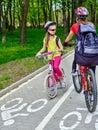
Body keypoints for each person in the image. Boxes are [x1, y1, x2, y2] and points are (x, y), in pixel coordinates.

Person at [63, 7, 98, 75]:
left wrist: (65, 42)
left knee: (76, 55)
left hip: (82, 50)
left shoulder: (75, 26)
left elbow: (69, 37)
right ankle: (92, 80)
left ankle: (74, 70)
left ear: (77, 17)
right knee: (92, 63)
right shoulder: (91, 25)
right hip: (93, 50)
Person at [36, 21, 66, 87]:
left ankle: (62, 79)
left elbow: (61, 47)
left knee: (56, 67)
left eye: (55, 30)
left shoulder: (57, 38)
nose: (54, 31)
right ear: (48, 30)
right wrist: (39, 53)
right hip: (50, 57)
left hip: (57, 55)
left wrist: (59, 50)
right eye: (52, 30)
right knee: (51, 70)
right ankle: (54, 80)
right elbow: (44, 48)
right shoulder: (46, 39)